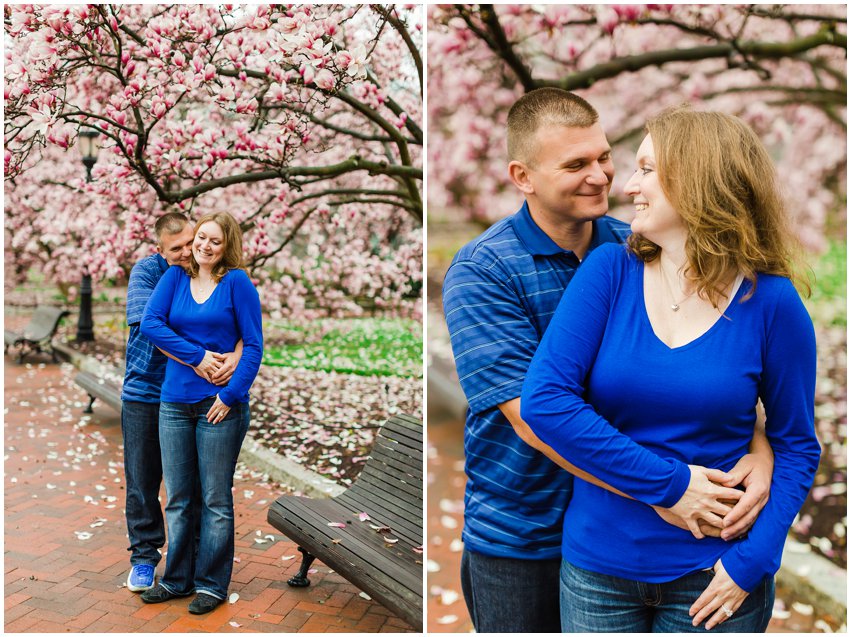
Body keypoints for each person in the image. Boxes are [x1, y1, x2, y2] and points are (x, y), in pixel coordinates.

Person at [442, 88, 774, 633]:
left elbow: (707, 374)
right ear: (523, 177)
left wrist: (759, 449)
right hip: (526, 532)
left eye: (603, 157)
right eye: (576, 165)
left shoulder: (637, 248)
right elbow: (532, 418)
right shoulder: (483, 270)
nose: (601, 176)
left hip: (629, 533)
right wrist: (667, 490)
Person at [521, 107, 821, 632]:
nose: (629, 185)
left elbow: (797, 443)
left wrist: (751, 565)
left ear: (699, 180)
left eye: (647, 169)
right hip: (599, 571)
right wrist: (672, 484)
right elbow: (546, 401)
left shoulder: (772, 302)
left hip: (715, 575)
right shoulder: (609, 272)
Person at [138, 211, 263, 615]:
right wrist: (196, 357)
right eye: (201, 238)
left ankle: (211, 584)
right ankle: (176, 580)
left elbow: (254, 345)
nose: (204, 246)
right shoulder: (174, 278)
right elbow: (152, 324)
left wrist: (229, 395)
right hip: (174, 402)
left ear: (227, 246)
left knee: (214, 499)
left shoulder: (237, 284)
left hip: (219, 407)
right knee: (177, 497)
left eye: (214, 240)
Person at [121, 213, 241, 593]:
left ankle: (189, 568)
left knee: (188, 488)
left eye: (192, 242)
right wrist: (203, 354)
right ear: (160, 249)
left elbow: (234, 322)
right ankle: (144, 557)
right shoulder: (150, 272)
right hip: (145, 392)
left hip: (189, 393)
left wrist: (237, 350)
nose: (189, 251)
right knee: (143, 482)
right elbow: (151, 326)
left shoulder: (206, 274)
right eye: (178, 248)